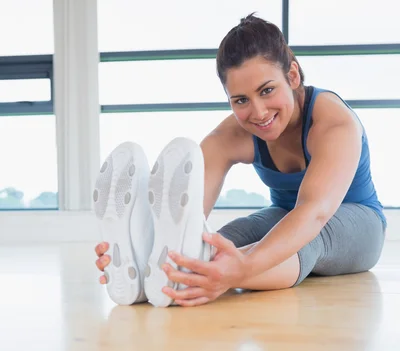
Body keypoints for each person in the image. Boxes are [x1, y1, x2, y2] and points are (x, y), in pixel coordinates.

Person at [94, 14, 386, 308]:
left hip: (357, 226)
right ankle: (157, 277)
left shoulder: (334, 123)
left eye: (267, 90)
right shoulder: (232, 134)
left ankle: (207, 278)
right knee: (219, 241)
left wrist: (240, 271)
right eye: (241, 100)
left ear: (293, 76)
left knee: (303, 239)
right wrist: (145, 245)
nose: (258, 112)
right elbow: (188, 212)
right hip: (285, 214)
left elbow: (313, 213)